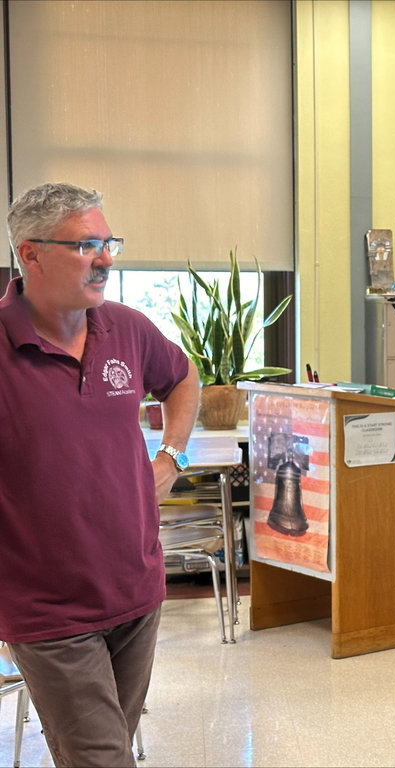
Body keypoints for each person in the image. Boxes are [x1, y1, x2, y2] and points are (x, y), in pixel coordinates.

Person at [0, 183, 199, 767]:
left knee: (98, 749)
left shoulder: (127, 329)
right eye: (87, 244)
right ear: (30, 253)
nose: (107, 258)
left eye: (108, 242)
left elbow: (183, 378)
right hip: (48, 607)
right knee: (102, 758)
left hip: (136, 588)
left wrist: (173, 456)